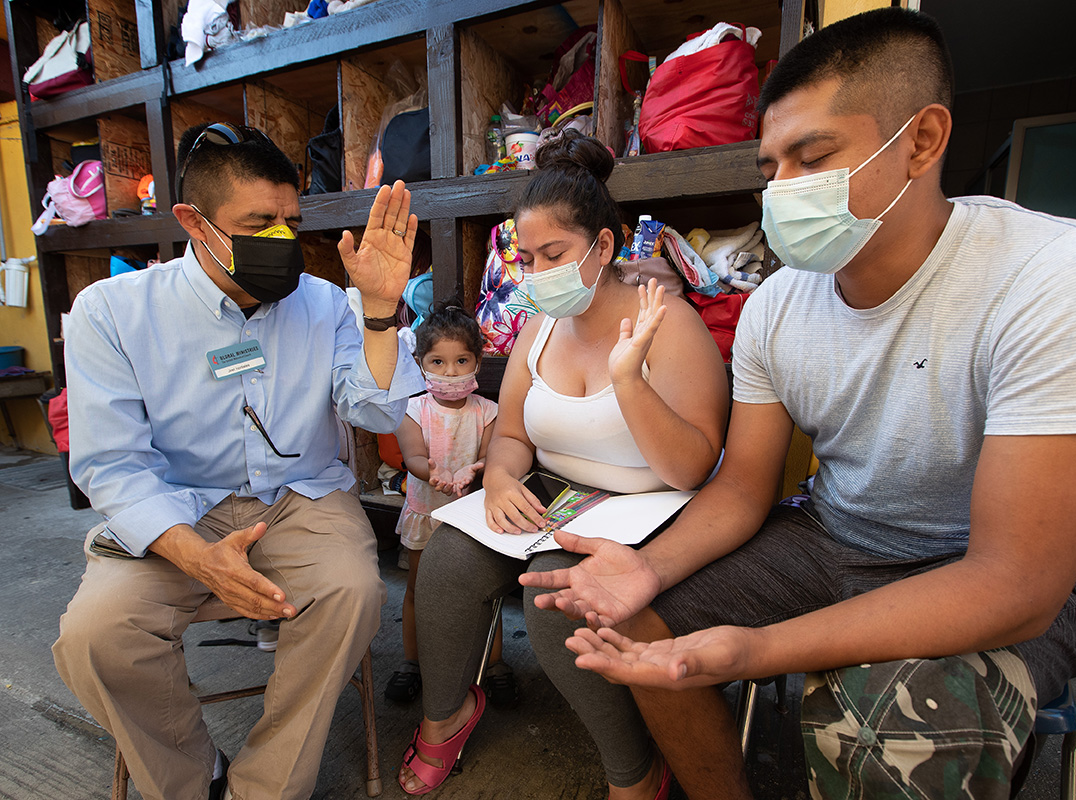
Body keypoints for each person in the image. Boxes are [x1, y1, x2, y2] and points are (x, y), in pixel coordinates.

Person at [521, 9, 1076, 799]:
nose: (784, 191)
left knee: (894, 729)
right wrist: (645, 572)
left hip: (978, 566)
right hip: (833, 536)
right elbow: (744, 487)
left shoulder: (1066, 276)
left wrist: (755, 651)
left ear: (922, 141)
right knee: (613, 612)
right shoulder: (777, 307)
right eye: (770, 168)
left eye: (813, 158)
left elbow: (1016, 581)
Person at [52, 122, 426, 800]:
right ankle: (195, 783)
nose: (281, 240)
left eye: (290, 221)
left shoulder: (324, 305)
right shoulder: (111, 312)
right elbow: (111, 464)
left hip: (300, 499)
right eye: (259, 223)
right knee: (96, 636)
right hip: (178, 508)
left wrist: (378, 311)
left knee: (350, 591)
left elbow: (376, 413)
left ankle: (265, 788)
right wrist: (198, 557)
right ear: (195, 222)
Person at [398, 129, 730, 797]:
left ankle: (634, 770)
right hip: (557, 494)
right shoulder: (537, 327)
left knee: (555, 592)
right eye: (527, 257)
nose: (537, 272)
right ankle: (447, 717)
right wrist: (496, 476)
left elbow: (694, 467)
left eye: (555, 253)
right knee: (447, 561)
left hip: (648, 505)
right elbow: (515, 433)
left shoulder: (668, 325)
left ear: (603, 246)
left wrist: (629, 381)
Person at [385, 302, 502, 704]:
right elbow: (413, 456)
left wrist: (476, 470)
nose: (450, 372)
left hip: (471, 517)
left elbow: (491, 456)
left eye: (460, 360)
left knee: (487, 590)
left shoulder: (488, 412)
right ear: (420, 363)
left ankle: (496, 664)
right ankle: (413, 663)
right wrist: (429, 472)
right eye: (437, 361)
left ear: (477, 361)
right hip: (427, 513)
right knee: (418, 589)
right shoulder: (413, 410)